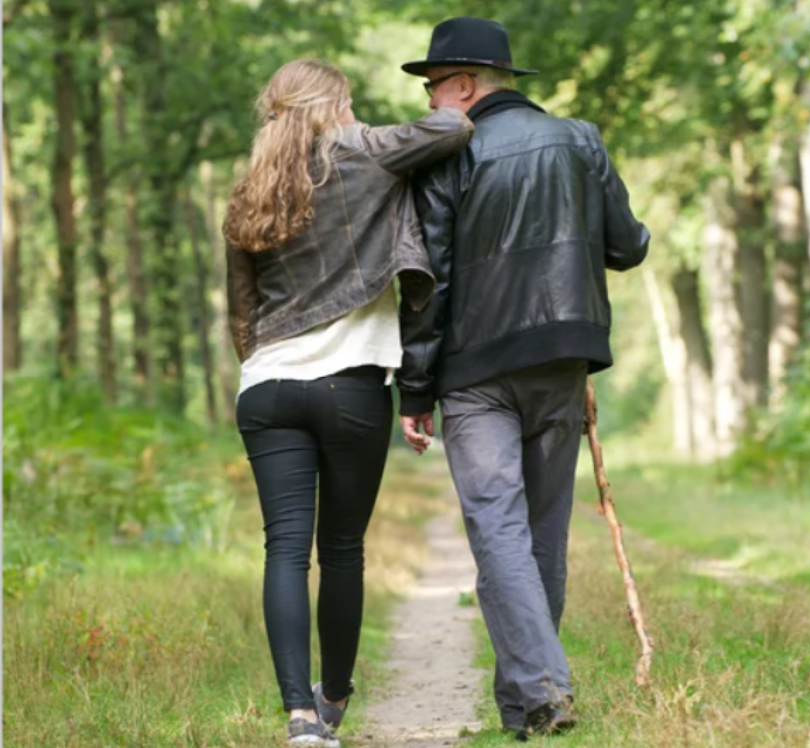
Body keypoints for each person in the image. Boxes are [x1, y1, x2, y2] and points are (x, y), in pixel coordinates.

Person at [396, 18, 650, 740]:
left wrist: (414, 389)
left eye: (432, 88)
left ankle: (541, 686)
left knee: (498, 529)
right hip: (565, 356)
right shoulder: (581, 139)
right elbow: (627, 247)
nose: (428, 103)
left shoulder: (450, 154)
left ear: (466, 86)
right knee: (541, 530)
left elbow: (427, 283)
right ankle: (529, 703)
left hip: (477, 369)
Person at [223, 58, 473, 747]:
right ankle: (332, 700)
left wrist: (269, 361)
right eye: (348, 102)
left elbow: (241, 315)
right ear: (333, 105)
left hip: (268, 388)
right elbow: (451, 126)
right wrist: (358, 126)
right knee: (340, 549)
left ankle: (297, 718)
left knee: (283, 549)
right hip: (351, 385)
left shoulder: (248, 192)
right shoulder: (364, 152)